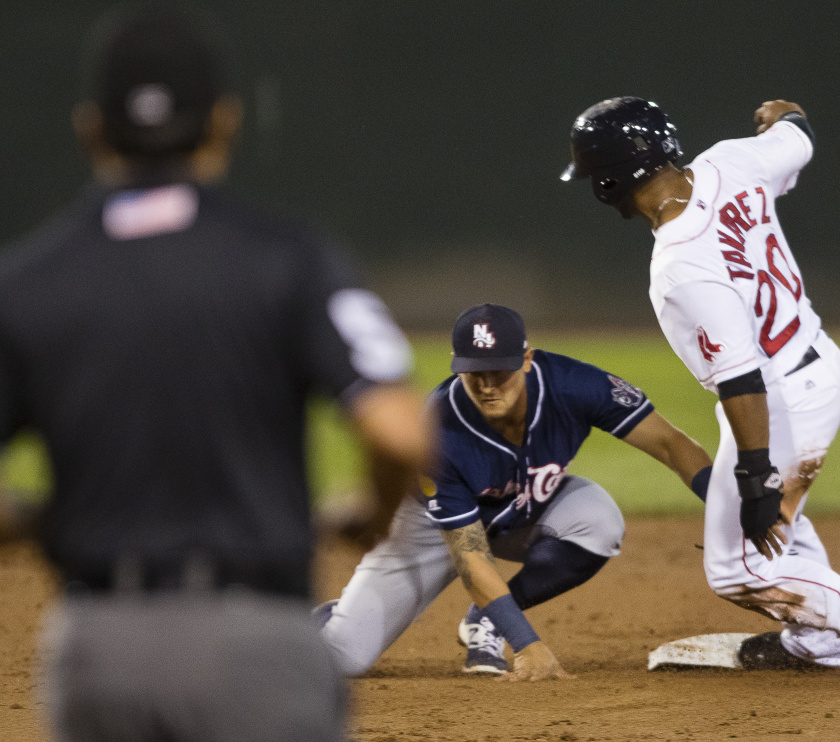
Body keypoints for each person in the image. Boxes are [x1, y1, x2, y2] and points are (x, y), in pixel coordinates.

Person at [0, 5, 435, 741]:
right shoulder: (289, 257)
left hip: (99, 648)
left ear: (91, 130)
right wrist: (369, 514)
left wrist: (35, 519)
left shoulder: (27, 281)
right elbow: (399, 432)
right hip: (253, 643)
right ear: (224, 124)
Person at [560, 96, 840, 673]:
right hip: (814, 365)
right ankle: (819, 642)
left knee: (737, 569)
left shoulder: (679, 264)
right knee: (779, 528)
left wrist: (756, 477)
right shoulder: (732, 160)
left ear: (608, 180)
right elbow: (797, 133)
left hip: (776, 400)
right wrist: (783, 114)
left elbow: (740, 377)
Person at [315, 302, 713, 680]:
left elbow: (670, 444)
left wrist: (731, 509)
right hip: (430, 527)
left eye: (499, 372)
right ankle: (333, 619)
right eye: (475, 374)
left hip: (524, 509)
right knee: (345, 656)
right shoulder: (437, 431)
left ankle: (485, 618)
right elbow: (470, 556)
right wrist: (528, 644)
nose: (488, 386)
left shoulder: (576, 386)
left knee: (598, 522)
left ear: (526, 359)